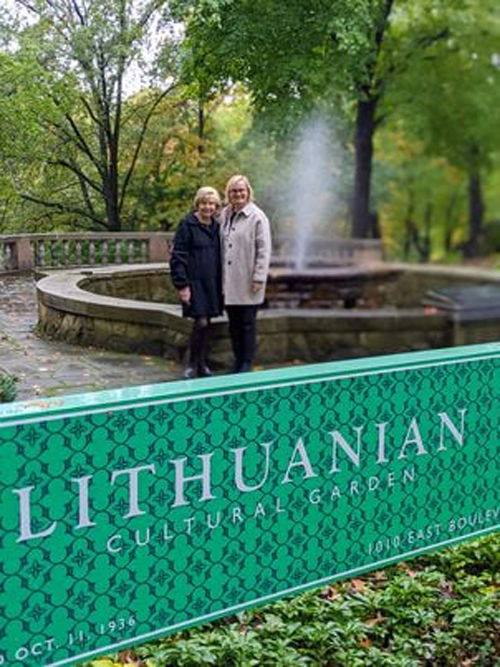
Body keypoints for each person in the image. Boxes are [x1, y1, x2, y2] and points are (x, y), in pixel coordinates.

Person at [170, 186, 223, 379]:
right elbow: (177, 257)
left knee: (207, 323)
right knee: (200, 322)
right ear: (197, 204)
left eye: (212, 204)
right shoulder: (187, 225)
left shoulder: (217, 226)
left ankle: (202, 364)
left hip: (213, 282)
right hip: (194, 282)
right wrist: (182, 286)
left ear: (216, 206)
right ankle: (192, 363)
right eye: (204, 203)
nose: (208, 207)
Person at [221, 174, 272, 372]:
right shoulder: (224, 214)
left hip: (249, 280)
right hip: (229, 281)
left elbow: (264, 250)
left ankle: (246, 362)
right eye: (234, 191)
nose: (238, 194)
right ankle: (237, 358)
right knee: (233, 324)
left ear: (248, 192)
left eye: (241, 190)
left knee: (247, 324)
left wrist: (259, 277)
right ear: (228, 194)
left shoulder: (258, 217)